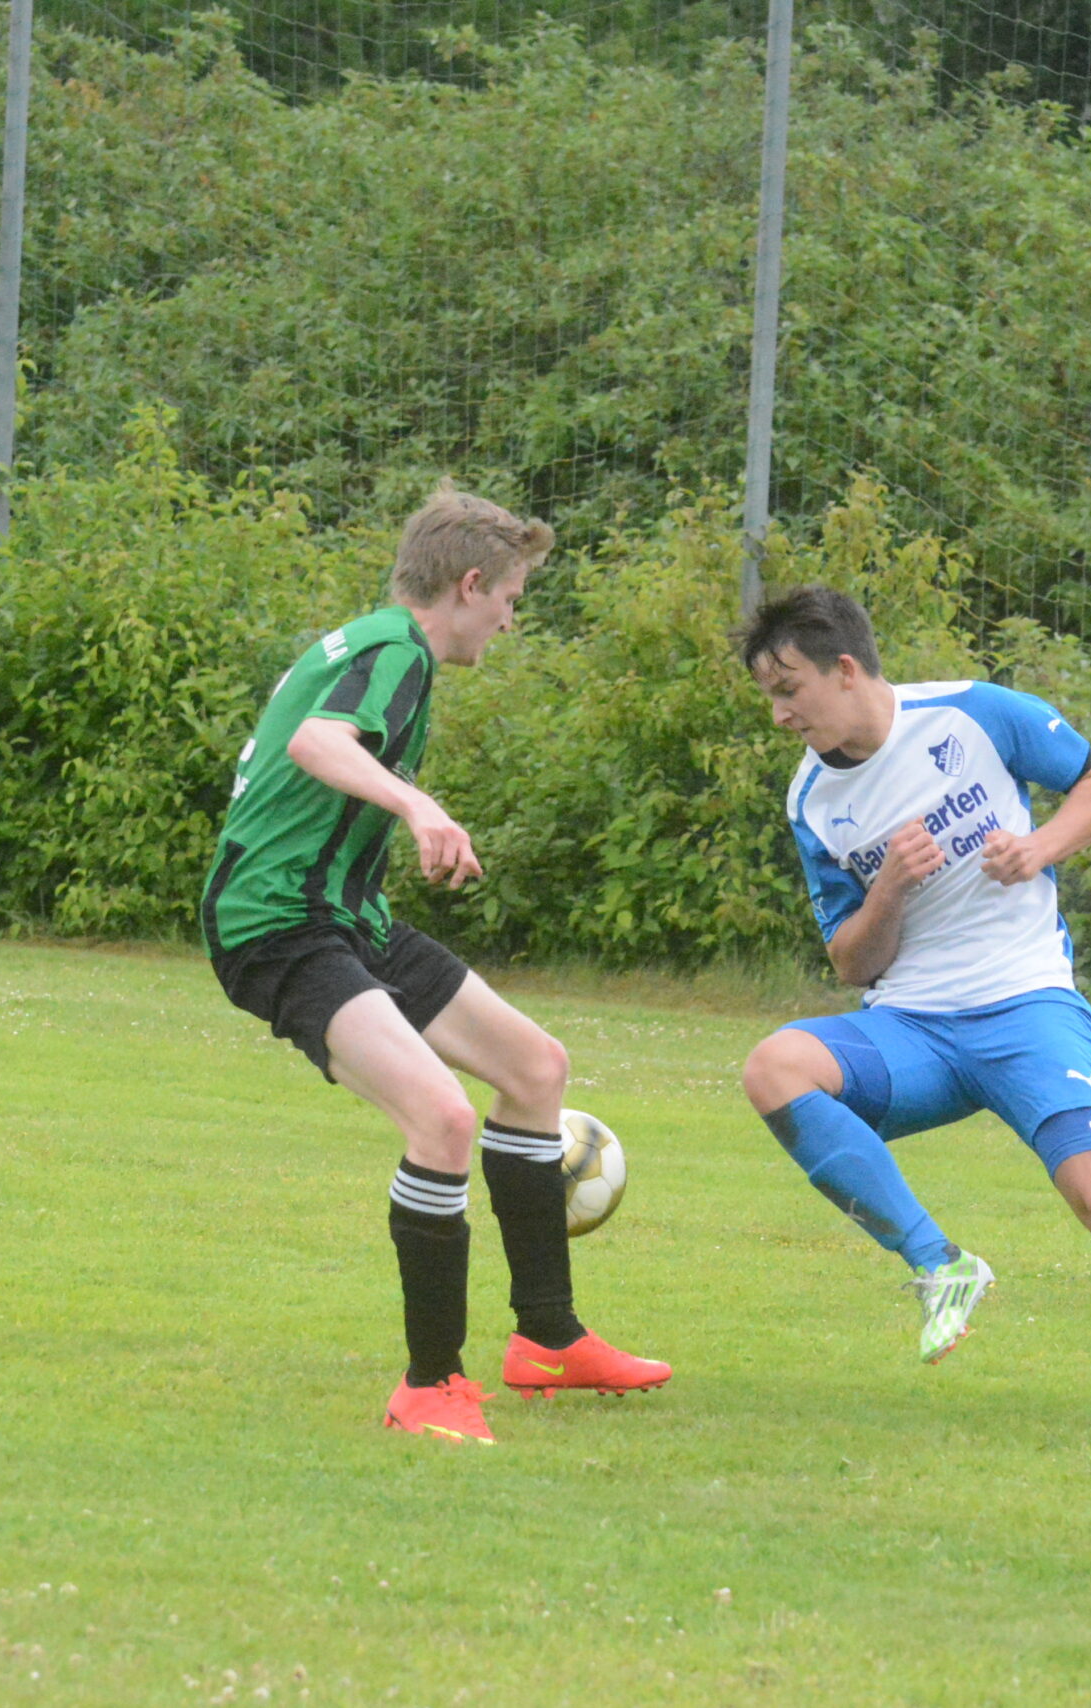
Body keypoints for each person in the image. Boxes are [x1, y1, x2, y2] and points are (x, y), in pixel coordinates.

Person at [735, 585, 1091, 1450]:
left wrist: (1039, 848)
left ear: (844, 670)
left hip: (1027, 1007)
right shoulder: (811, 800)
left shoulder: (975, 713)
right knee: (775, 1068)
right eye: (771, 696)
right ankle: (940, 1265)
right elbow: (851, 962)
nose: (779, 715)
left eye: (788, 689)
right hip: (913, 1028)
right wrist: (889, 887)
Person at [201, 484, 668, 1445]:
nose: (510, 620)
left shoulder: (376, 645)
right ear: (470, 584)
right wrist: (419, 807)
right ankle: (429, 1384)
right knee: (442, 1117)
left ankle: (548, 1340)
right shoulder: (396, 650)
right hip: (277, 924)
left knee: (534, 1067)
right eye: (511, 599)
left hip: (345, 917)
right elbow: (317, 741)